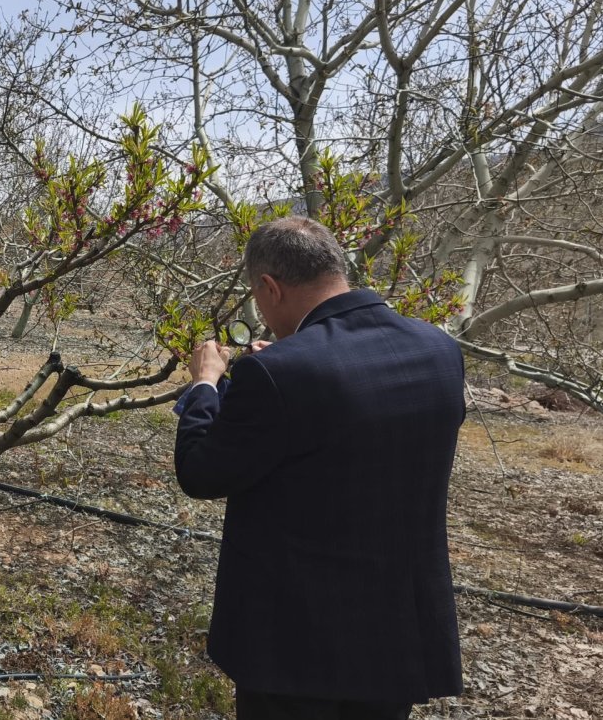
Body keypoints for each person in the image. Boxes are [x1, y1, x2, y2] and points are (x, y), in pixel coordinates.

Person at [174, 216, 465, 720]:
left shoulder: (276, 373)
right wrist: (286, 367)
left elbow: (201, 472)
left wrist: (205, 384)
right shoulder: (438, 349)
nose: (262, 314)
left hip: (296, 644)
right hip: (395, 636)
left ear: (270, 287)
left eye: (258, 299)